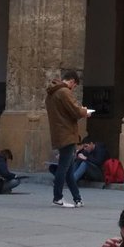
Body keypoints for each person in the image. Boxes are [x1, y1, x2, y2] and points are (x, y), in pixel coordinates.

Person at [46, 70, 90, 207]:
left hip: (60, 133)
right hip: (67, 134)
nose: (73, 88)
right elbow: (75, 110)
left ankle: (78, 199)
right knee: (63, 168)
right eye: (74, 85)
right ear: (71, 82)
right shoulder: (64, 92)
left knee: (69, 168)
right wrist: (85, 112)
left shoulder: (52, 94)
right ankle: (57, 197)